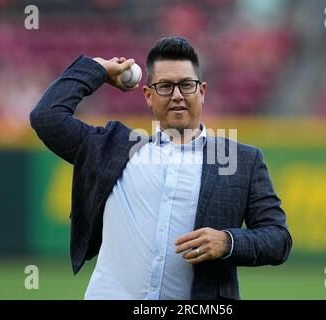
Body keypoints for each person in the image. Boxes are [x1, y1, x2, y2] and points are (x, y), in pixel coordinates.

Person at [30, 36, 292, 300]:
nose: (177, 95)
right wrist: (99, 69)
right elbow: (47, 117)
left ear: (201, 92)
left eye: (186, 85)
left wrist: (228, 242)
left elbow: (278, 239)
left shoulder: (242, 161)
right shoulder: (112, 149)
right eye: (165, 86)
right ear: (148, 95)